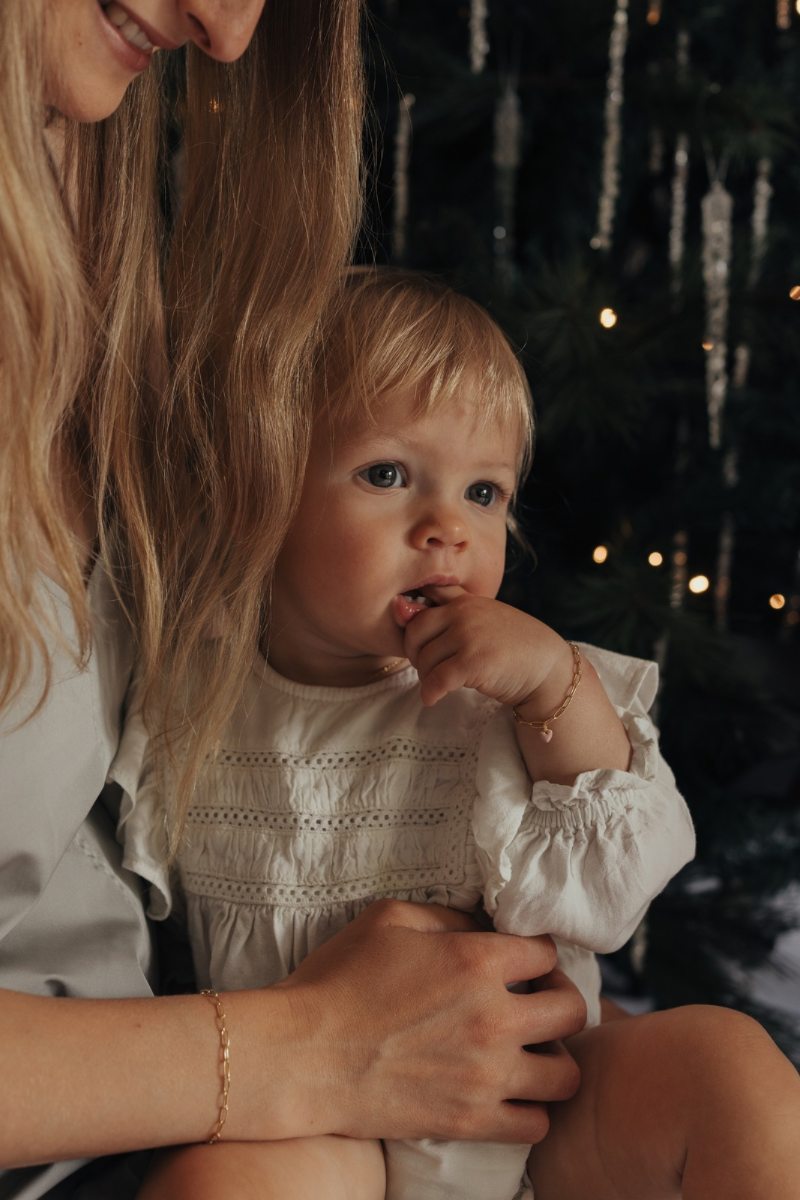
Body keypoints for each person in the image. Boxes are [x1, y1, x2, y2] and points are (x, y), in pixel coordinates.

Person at [0, 6, 587, 1198]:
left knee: (728, 1073)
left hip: (176, 1102)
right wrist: (310, 1047)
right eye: (384, 474)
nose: (224, 30)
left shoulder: (94, 298)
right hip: (186, 1112)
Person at [112, 269, 800, 1200]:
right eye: (387, 475)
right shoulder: (189, 699)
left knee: (728, 1063)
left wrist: (556, 687)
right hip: (317, 1119)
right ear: (258, 486)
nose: (448, 528)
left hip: (544, 1107)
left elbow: (612, 890)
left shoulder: (506, 691)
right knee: (220, 1185)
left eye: (485, 492)